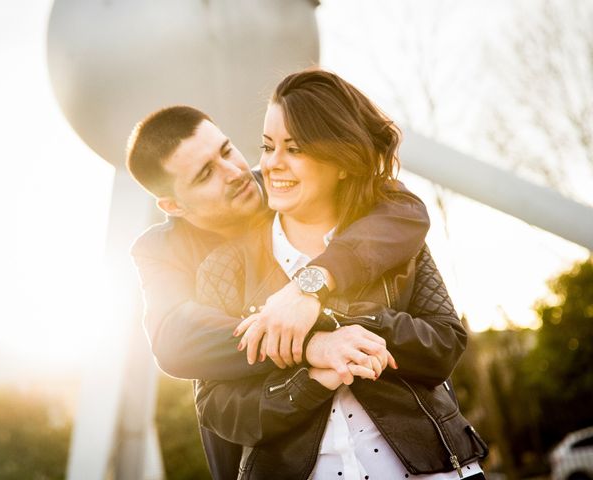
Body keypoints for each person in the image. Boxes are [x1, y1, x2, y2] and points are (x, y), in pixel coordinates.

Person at [194, 69, 488, 479]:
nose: (271, 164)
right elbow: (218, 407)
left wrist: (341, 320)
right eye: (267, 145)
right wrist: (314, 376)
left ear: (342, 163)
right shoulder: (224, 269)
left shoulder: (393, 239)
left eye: (294, 149)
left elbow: (444, 344)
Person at [126, 105, 435, 477]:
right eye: (206, 174)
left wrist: (312, 284)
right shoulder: (159, 250)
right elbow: (174, 339)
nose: (235, 173)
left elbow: (404, 210)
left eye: (226, 151)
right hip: (265, 455)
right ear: (173, 205)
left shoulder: (288, 183)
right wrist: (309, 342)